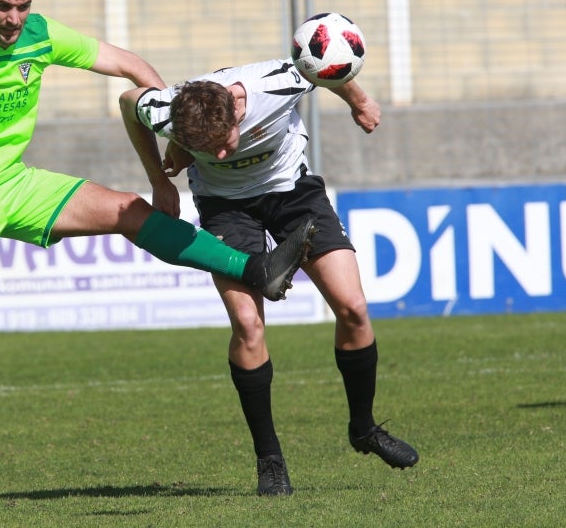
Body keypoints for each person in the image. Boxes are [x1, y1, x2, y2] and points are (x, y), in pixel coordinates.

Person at [0, 0, 314, 514]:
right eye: (3, 6)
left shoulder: (42, 36)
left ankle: (256, 269)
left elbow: (132, 66)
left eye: (22, 7)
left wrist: (172, 148)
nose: (13, 19)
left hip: (15, 184)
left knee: (129, 210)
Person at [119, 58, 419, 496]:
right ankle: (270, 460)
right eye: (208, 150)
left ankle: (364, 428)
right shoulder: (168, 110)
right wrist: (159, 181)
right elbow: (129, 101)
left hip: (293, 195)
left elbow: (326, 68)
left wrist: (360, 101)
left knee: (353, 308)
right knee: (247, 323)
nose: (220, 154)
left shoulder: (276, 84)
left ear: (237, 111)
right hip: (225, 208)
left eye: (224, 144)